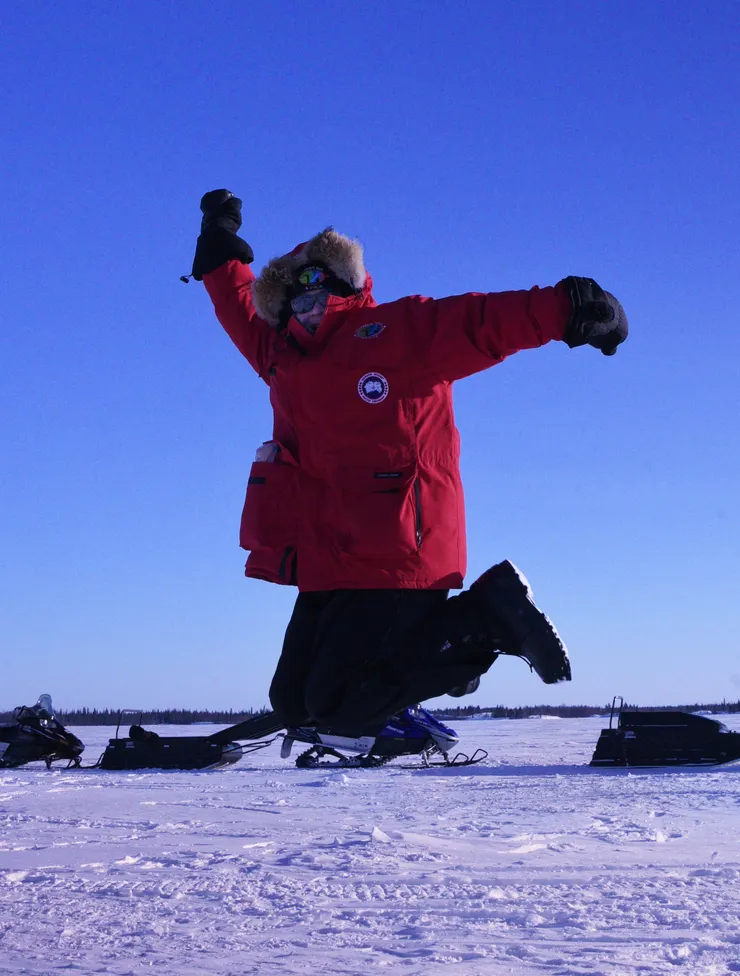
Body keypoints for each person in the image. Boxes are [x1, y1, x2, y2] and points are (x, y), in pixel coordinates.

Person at [188, 189, 628, 736]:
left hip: (398, 547)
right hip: (327, 556)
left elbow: (484, 322)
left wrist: (570, 308)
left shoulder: (398, 333)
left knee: (342, 706)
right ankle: (440, 650)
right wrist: (219, 247)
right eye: (294, 297)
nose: (308, 304)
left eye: (319, 287)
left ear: (346, 283)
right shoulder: (283, 358)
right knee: (292, 701)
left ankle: (481, 620)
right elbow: (237, 306)